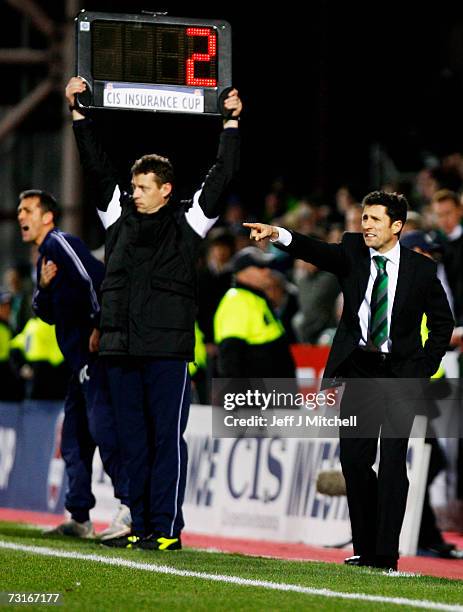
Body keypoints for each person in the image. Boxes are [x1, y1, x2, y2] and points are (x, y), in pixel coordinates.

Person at [65, 76, 242, 551]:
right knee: (130, 442)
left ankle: (165, 529)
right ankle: (140, 524)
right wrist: (80, 115)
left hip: (166, 350)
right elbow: (95, 165)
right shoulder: (116, 217)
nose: (134, 192)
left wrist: (231, 123)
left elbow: (222, 174)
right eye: (133, 185)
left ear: (166, 189)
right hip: (121, 347)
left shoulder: (189, 223)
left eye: (144, 186)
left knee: (166, 441)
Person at [244, 190, 454, 571]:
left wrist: (422, 367)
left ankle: (386, 555)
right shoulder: (353, 251)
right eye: (364, 217)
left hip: (399, 375)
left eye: (374, 219)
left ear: (397, 226)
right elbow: (314, 250)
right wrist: (277, 233)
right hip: (358, 370)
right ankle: (367, 547)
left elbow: (442, 324)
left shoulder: (421, 270)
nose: (366, 224)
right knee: (355, 461)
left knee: (393, 463)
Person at [17, 189, 130, 540]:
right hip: (77, 363)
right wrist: (44, 289)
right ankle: (79, 516)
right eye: (19, 210)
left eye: (28, 210)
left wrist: (99, 323)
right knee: (73, 441)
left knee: (103, 431)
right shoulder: (43, 260)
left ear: (47, 216)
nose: (21, 216)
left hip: (94, 357)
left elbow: (95, 277)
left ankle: (131, 507)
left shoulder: (60, 243)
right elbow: (44, 313)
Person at [214, 246, 296, 378]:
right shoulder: (237, 301)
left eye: (267, 266)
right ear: (243, 273)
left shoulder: (255, 298)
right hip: (256, 393)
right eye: (260, 267)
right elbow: (229, 356)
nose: (267, 271)